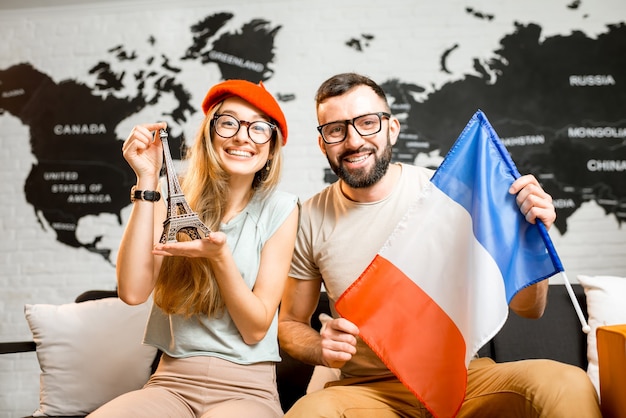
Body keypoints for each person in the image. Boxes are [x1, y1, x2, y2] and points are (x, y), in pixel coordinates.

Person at [278, 72, 601, 417]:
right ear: (322, 142)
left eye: (367, 123)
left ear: (392, 128)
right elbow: (290, 324)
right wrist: (320, 347)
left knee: (567, 383)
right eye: (336, 129)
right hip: (370, 392)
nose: (354, 140)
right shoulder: (309, 217)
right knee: (309, 413)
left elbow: (529, 308)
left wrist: (531, 235)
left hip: (462, 380)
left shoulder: (447, 194)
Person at [89, 80, 299, 418]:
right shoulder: (169, 193)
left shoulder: (282, 208)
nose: (243, 136)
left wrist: (220, 258)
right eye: (229, 122)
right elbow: (132, 292)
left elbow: (256, 328)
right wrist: (146, 181)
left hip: (247, 391)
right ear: (209, 133)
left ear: (271, 148)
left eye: (259, 128)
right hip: (171, 384)